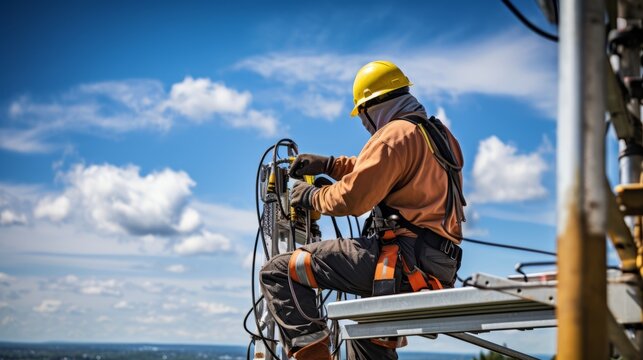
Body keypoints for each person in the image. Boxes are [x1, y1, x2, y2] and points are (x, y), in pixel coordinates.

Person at [260, 60, 465, 360]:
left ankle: (314, 354)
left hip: (405, 259)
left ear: (371, 106)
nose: (365, 126)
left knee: (279, 272)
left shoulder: (393, 135)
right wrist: (330, 165)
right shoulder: (436, 135)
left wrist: (311, 197)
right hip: (437, 262)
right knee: (367, 334)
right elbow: (383, 169)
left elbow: (355, 199)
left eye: (363, 118)